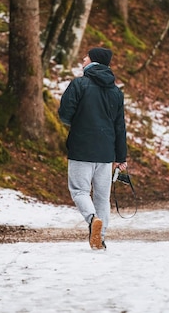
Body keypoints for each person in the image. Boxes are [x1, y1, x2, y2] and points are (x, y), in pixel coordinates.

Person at [58, 47, 128, 250]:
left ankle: (92, 220)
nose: (83, 58)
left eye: (86, 56)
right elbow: (119, 127)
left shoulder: (79, 84)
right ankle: (100, 238)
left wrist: (78, 122)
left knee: (80, 191)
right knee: (101, 197)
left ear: (94, 61)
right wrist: (121, 157)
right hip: (106, 153)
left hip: (81, 148)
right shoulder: (116, 92)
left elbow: (64, 113)